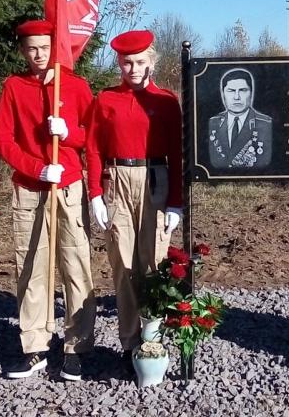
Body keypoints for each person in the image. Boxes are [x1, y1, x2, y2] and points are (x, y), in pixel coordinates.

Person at [0, 20, 96, 381]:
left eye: (45, 47)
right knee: (32, 267)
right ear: (22, 50)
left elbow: (92, 137)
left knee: (75, 266)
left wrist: (68, 134)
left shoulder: (77, 86)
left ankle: (77, 347)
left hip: (68, 187)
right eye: (31, 48)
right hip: (30, 188)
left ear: (57, 47)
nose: (38, 55)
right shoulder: (14, 87)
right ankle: (34, 345)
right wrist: (36, 168)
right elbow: (3, 140)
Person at [86, 30, 183, 369]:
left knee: (153, 262)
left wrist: (175, 202)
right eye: (127, 63)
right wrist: (95, 194)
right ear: (119, 64)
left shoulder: (167, 102)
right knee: (124, 263)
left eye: (140, 62)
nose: (134, 69)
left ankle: (152, 338)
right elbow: (94, 148)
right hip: (118, 181)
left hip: (156, 178)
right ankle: (129, 342)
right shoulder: (106, 100)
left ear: (151, 62)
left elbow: (177, 153)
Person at [208, 68, 272, 169]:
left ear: (251, 93)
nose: (236, 97)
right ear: (223, 93)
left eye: (242, 90)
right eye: (231, 91)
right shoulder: (213, 123)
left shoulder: (266, 125)